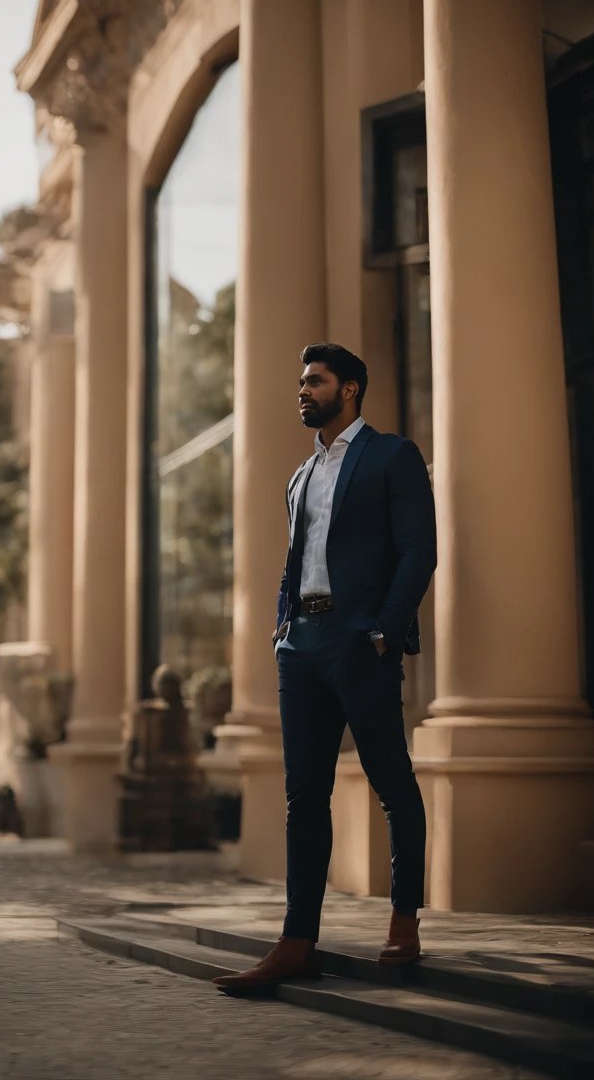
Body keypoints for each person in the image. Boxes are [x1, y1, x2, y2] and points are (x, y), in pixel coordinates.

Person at [214, 343, 436, 994]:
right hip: (301, 644)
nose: (304, 390)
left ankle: (403, 920)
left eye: (317, 381)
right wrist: (283, 626)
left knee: (391, 780)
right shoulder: (300, 475)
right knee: (303, 796)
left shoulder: (392, 456)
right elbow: (296, 560)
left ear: (352, 389)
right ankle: (296, 941)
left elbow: (418, 551)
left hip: (357, 638)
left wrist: (383, 632)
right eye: (302, 381)